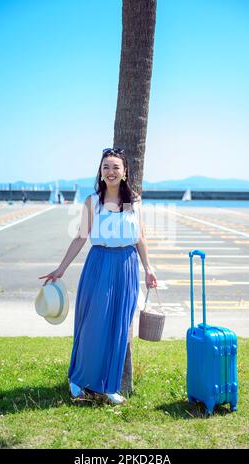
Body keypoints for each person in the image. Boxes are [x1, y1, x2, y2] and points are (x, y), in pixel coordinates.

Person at [39, 148, 157, 405]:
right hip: (99, 264)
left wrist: (148, 269)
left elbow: (140, 238)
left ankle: (108, 387)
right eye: (106, 167)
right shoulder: (93, 201)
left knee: (118, 328)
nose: (111, 172)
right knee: (93, 324)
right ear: (100, 172)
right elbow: (81, 236)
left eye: (116, 167)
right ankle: (78, 380)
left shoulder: (133, 202)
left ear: (125, 172)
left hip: (126, 266)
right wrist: (60, 269)